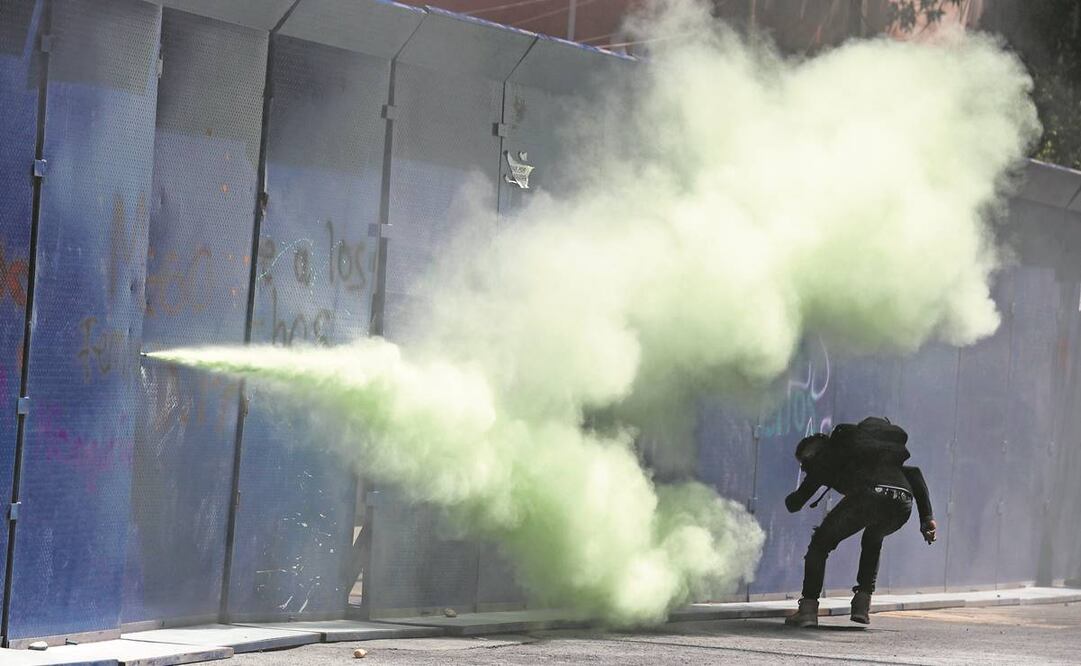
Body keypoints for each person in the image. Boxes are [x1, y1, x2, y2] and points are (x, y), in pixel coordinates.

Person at [784, 416, 936, 628]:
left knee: (819, 545)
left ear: (812, 455)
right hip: (903, 501)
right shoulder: (874, 456)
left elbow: (796, 503)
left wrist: (788, 499)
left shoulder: (826, 460)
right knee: (873, 537)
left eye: (804, 463)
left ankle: (808, 610)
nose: (805, 469)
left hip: (869, 495)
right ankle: (862, 605)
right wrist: (927, 519)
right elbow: (915, 475)